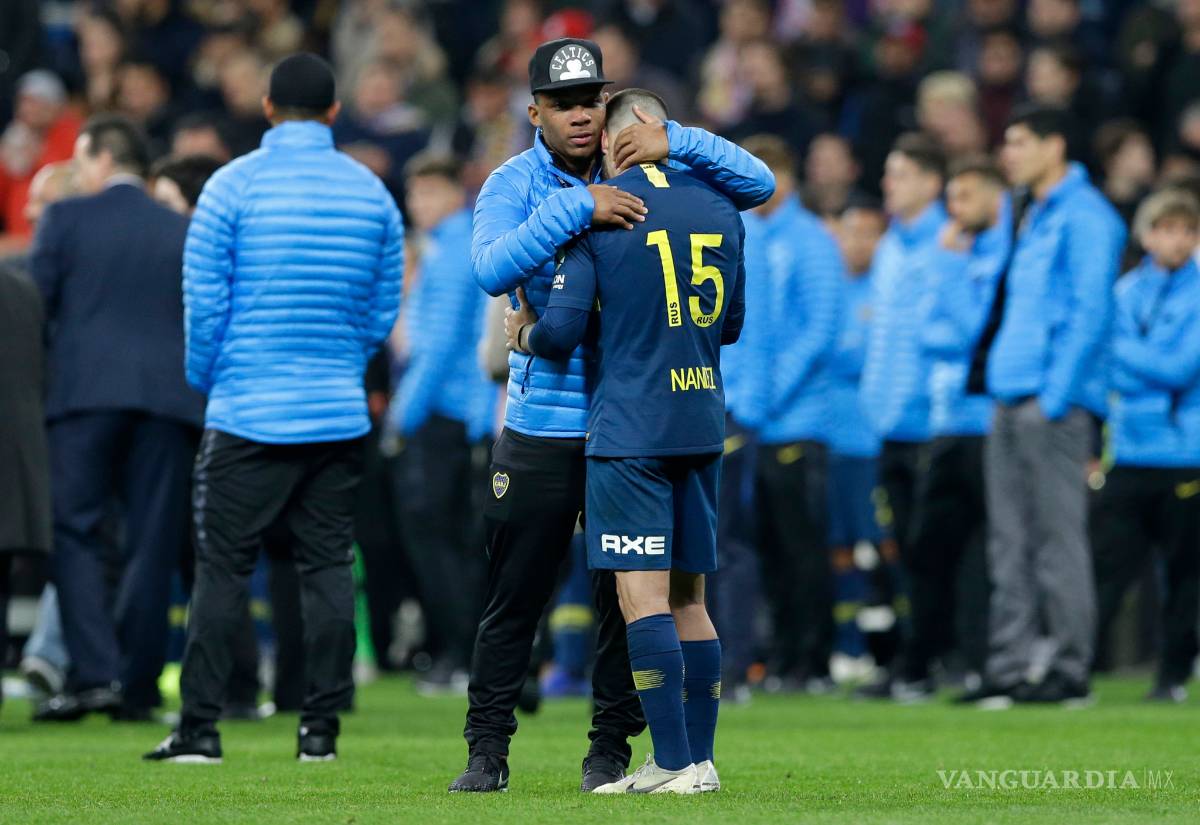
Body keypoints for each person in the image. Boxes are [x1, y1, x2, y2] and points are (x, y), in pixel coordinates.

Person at [454, 37, 773, 794]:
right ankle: (487, 750)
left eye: (591, 100)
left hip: (628, 426)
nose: (579, 116)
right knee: (515, 600)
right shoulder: (513, 181)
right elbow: (489, 267)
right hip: (543, 426)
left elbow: (757, 181)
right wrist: (578, 204)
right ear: (534, 111)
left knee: (625, 606)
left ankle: (609, 752)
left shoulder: (648, 169)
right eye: (562, 103)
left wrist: (679, 137)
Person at [143, 53, 403, 763]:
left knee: (221, 568)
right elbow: (383, 306)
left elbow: (204, 304)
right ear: (333, 113)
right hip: (336, 411)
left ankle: (200, 727)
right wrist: (343, 364)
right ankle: (318, 729)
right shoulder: (370, 192)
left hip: (246, 407)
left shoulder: (230, 186)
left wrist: (214, 380)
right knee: (325, 570)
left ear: (265, 108)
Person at [506, 87, 744, 795]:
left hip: (631, 427)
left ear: (611, 139)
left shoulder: (603, 212)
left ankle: (670, 760)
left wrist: (522, 330)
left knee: (642, 600)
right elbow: (729, 325)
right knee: (689, 598)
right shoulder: (722, 210)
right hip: (702, 419)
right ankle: (699, 760)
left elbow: (562, 328)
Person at [29, 115, 203, 723]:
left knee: (75, 532)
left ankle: (95, 673)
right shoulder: (182, 228)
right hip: (166, 402)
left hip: (82, 397)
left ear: (101, 159)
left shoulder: (66, 218)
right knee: (151, 543)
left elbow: (38, 307)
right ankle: (135, 687)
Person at [967, 105, 1125, 706]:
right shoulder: (1029, 211)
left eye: (1020, 142)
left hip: (1049, 401)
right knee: (1008, 541)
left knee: (1058, 539)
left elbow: (1089, 314)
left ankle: (1067, 669)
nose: (1008, 154)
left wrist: (1057, 396)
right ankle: (1009, 668)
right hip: (1009, 395)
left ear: (1055, 146)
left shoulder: (1086, 216)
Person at [894, 156, 1007, 701]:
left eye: (964, 198)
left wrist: (946, 271)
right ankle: (924, 665)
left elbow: (966, 331)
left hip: (986, 424)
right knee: (930, 549)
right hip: (946, 422)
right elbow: (928, 336)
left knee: (986, 554)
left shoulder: (995, 254)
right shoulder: (963, 254)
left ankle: (987, 666)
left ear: (993, 199)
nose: (954, 212)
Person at [737, 134, 845, 693]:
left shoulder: (810, 241)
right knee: (772, 549)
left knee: (804, 547)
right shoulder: (758, 235)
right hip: (763, 417)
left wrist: (766, 391)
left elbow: (820, 330)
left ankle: (815, 660)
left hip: (798, 418)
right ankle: (784, 657)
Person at [387, 152, 493, 694]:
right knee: (450, 539)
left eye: (428, 194)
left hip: (444, 416)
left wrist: (402, 417)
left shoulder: (452, 252)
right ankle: (461, 651)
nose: (417, 205)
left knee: (439, 540)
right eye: (413, 195)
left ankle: (462, 652)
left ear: (455, 194)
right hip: (455, 415)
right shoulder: (446, 247)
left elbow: (438, 344)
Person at [1092, 189, 1200, 703]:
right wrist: (1146, 364)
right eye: (1166, 228)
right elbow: (1113, 365)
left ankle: (1172, 677)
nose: (1176, 240)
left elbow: (1181, 368)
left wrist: (1125, 357)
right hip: (1130, 451)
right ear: (1146, 234)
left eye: (1187, 230)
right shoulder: (1124, 292)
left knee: (1182, 575)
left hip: (1185, 454)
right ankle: (1078, 667)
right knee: (1105, 565)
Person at [856, 133, 947, 697]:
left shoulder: (951, 241)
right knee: (902, 553)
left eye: (901, 174)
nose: (889, 184)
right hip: (888, 422)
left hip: (934, 425)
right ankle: (913, 659)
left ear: (931, 183)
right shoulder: (892, 246)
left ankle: (939, 659)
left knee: (937, 553)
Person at [826, 198, 888, 674]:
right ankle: (849, 647)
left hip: (873, 440)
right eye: (851, 232)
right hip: (831, 439)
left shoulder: (885, 288)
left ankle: (890, 648)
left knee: (883, 544)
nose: (859, 242)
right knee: (839, 548)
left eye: (870, 232)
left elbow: (858, 355)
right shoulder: (829, 288)